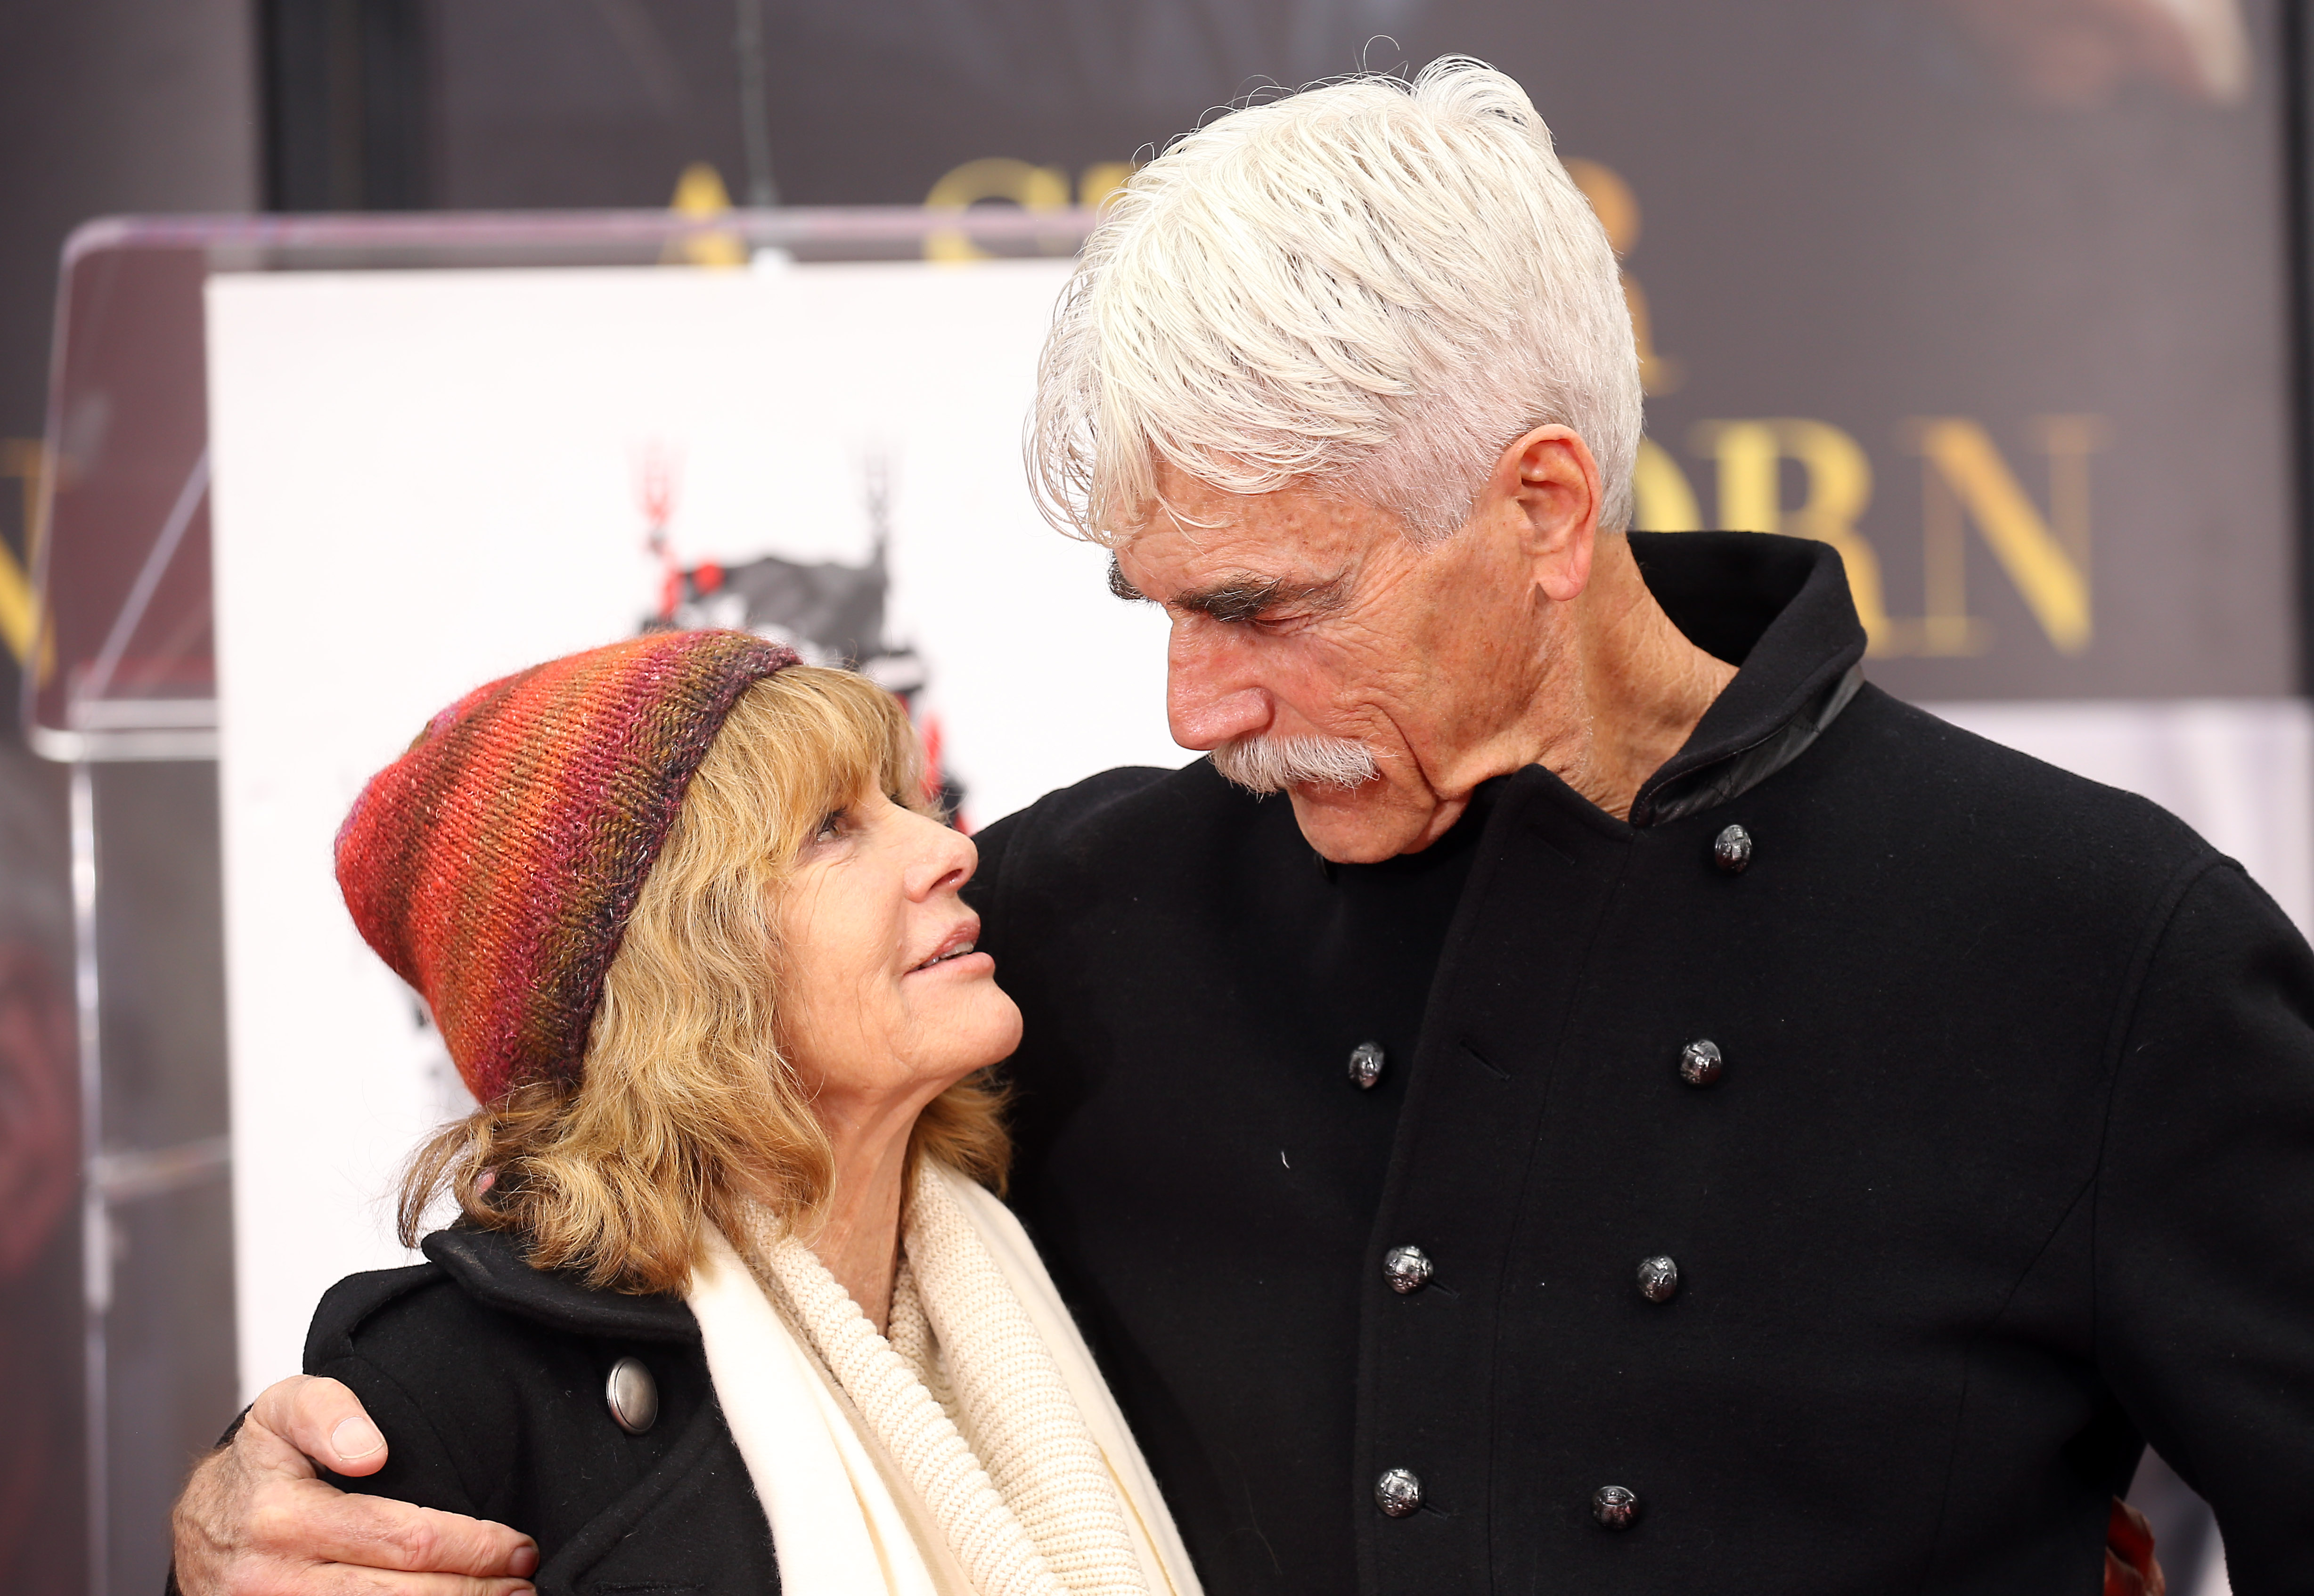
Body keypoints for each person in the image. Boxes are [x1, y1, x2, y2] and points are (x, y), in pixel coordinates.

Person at [174, 58, 2293, 1595]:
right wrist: (263, 1510)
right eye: (1162, 607)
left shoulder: (2090, 947)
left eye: (1264, 606)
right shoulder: (1069, 925)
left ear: (1541, 509)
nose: (1196, 707)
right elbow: (675, 1230)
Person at [178, 628, 1201, 1596]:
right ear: (679, 972)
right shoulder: (450, 1397)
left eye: (902, 798)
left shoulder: (1070, 1228)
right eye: (830, 827)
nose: (949, 850)